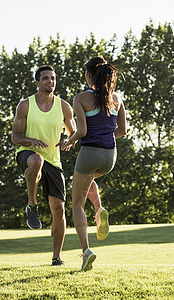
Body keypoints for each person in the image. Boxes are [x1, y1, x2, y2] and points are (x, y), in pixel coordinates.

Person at [62, 57, 126, 271]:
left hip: (89, 153)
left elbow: (82, 132)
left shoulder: (80, 98)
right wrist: (105, 137)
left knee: (77, 204)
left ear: (89, 74)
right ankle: (99, 210)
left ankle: (86, 251)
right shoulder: (117, 98)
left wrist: (68, 142)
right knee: (87, 181)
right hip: (110, 157)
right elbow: (122, 131)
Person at [11, 65, 76, 266]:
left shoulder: (64, 106)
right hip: (27, 153)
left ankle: (56, 258)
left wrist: (68, 141)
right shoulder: (25, 105)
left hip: (54, 161)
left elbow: (74, 133)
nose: (50, 81)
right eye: (46, 78)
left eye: (53, 78)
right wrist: (31, 141)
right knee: (36, 161)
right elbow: (15, 137)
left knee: (59, 210)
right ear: (37, 83)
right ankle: (32, 205)